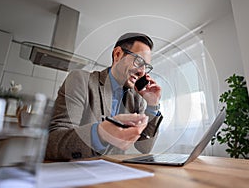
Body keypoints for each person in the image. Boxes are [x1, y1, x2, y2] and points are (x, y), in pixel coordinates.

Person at [45, 32, 163, 160]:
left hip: (114, 171)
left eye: (146, 66)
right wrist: (100, 134)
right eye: (138, 61)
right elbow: (52, 142)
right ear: (118, 54)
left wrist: (152, 105)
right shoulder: (81, 80)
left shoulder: (136, 99)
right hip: (76, 169)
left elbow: (144, 147)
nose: (142, 72)